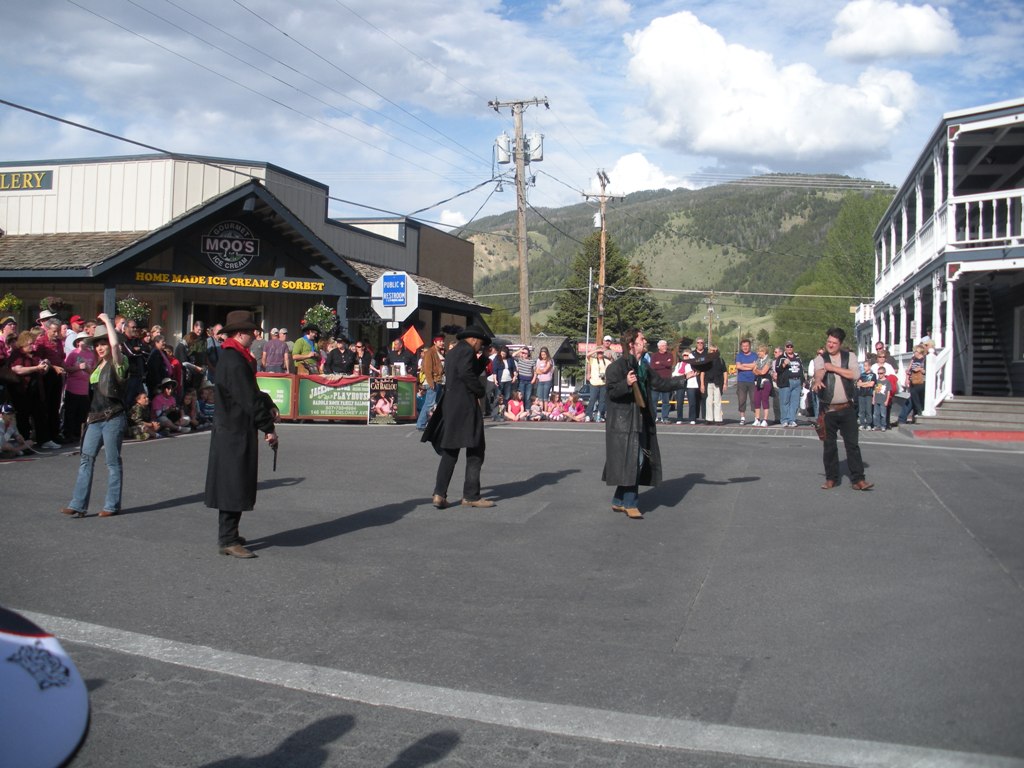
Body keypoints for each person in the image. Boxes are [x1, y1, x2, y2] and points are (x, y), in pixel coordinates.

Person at [204, 311, 279, 559]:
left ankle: (231, 534)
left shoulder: (235, 357)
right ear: (239, 333)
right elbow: (248, 399)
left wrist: (267, 403)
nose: (254, 336)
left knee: (235, 482)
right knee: (233, 484)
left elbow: (252, 392)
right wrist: (268, 427)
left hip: (234, 428)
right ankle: (227, 538)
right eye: (250, 332)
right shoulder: (234, 361)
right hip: (233, 431)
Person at [603, 329, 688, 519]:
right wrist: (626, 383)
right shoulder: (617, 367)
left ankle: (619, 499)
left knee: (633, 460)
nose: (645, 341)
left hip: (641, 418)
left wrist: (684, 379)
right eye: (642, 339)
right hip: (623, 422)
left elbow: (661, 384)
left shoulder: (643, 366)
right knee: (635, 460)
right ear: (632, 344)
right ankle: (630, 503)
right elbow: (611, 392)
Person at [61, 314, 129, 518]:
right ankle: (78, 504)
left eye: (103, 343)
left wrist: (107, 322)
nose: (100, 347)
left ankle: (112, 505)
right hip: (95, 418)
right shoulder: (97, 367)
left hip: (113, 417)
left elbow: (116, 347)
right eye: (97, 344)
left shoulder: (120, 362)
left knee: (112, 462)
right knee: (86, 459)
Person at [421, 326, 494, 509]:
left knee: (450, 451)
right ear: (474, 339)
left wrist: (484, 358)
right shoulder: (467, 351)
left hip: (451, 405)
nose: (480, 347)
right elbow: (466, 373)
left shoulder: (454, 352)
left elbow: (467, 370)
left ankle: (439, 494)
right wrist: (480, 391)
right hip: (466, 406)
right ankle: (470, 496)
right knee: (476, 450)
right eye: (481, 344)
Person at [811, 327, 873, 491]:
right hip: (828, 409)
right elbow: (819, 371)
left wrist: (833, 368)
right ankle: (831, 478)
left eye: (834, 342)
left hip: (847, 407)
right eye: (828, 341)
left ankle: (858, 479)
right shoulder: (820, 358)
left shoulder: (850, 356)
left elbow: (855, 375)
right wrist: (818, 380)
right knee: (829, 446)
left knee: (852, 445)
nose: (830, 345)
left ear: (840, 344)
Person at [63, 334, 97, 444]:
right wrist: (78, 367)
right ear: (78, 342)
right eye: (82, 340)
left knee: (82, 412)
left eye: (87, 340)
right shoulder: (73, 354)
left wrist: (87, 369)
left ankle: (79, 434)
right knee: (70, 412)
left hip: (84, 388)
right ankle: (68, 434)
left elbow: (94, 371)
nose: (85, 342)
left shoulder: (91, 354)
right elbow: (66, 368)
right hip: (72, 387)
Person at [416, 334, 445, 430]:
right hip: (433, 381)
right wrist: (431, 382)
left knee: (432, 403)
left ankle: (424, 423)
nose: (442, 343)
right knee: (429, 404)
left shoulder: (439, 352)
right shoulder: (430, 352)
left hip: (439, 381)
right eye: (439, 341)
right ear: (435, 342)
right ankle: (421, 424)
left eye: (442, 341)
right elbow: (427, 369)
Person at [775, 341, 804, 427]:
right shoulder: (781, 358)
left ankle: (792, 420)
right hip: (786, 382)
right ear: (785, 348)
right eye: (788, 346)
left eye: (791, 346)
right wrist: (784, 364)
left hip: (797, 381)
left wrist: (802, 381)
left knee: (795, 402)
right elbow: (777, 369)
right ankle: (784, 420)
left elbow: (801, 369)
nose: (789, 348)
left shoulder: (797, 357)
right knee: (785, 402)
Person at [899, 345, 927, 425]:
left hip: (921, 381)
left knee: (915, 396)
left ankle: (918, 411)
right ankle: (914, 415)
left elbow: (926, 371)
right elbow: (909, 370)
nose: (914, 353)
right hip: (913, 381)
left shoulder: (924, 360)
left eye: (915, 351)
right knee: (913, 398)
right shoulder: (913, 359)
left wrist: (920, 369)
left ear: (920, 352)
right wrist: (907, 379)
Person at [649, 339, 674, 423]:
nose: (665, 347)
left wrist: (659, 362)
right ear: (659, 347)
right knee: (654, 400)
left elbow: (669, 364)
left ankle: (665, 417)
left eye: (665, 345)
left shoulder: (670, 355)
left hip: (666, 381)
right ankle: (654, 417)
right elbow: (653, 367)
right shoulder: (654, 356)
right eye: (663, 346)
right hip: (656, 381)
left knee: (666, 401)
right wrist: (664, 363)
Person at [734, 338, 757, 425]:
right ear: (741, 347)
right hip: (742, 381)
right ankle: (742, 418)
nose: (745, 347)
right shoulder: (739, 355)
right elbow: (738, 366)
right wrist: (751, 367)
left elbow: (756, 365)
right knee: (741, 400)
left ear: (750, 346)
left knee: (754, 400)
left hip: (753, 380)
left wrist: (744, 365)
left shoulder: (755, 355)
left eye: (747, 346)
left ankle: (756, 418)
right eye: (743, 346)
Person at [704, 344, 727, 424]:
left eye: (715, 350)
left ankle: (718, 419)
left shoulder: (720, 360)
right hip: (708, 382)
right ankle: (709, 419)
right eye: (711, 350)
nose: (713, 352)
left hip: (718, 382)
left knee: (718, 401)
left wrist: (725, 383)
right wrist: (702, 384)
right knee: (708, 401)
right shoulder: (706, 360)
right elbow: (703, 372)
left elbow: (725, 372)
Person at [585, 347, 609, 422]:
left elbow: (612, 367)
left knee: (602, 401)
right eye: (599, 353)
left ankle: (600, 415)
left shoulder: (606, 361)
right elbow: (587, 355)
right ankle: (588, 415)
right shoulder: (593, 360)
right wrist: (597, 350)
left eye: (601, 353)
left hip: (603, 383)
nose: (600, 354)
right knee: (592, 399)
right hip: (594, 383)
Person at [752, 344, 773, 427]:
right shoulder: (758, 360)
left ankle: (765, 420)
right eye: (758, 351)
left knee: (765, 400)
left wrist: (756, 370)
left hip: (766, 382)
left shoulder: (769, 360)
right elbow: (754, 371)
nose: (758, 353)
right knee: (756, 400)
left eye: (760, 351)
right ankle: (757, 419)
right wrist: (756, 370)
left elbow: (763, 372)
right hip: (758, 381)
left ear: (764, 352)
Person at [872, 364, 894, 431]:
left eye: (881, 373)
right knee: (876, 414)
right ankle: (876, 425)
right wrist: (873, 399)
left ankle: (883, 426)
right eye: (878, 373)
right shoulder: (877, 381)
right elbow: (874, 390)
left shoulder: (887, 382)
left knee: (883, 414)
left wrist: (887, 400)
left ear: (884, 373)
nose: (879, 375)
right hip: (877, 400)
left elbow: (888, 392)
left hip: (883, 400)